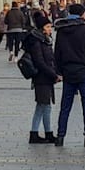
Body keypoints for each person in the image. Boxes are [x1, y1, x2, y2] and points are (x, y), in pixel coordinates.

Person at [54, 3, 85, 146]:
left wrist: (60, 71)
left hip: (68, 73)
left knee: (65, 106)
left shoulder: (61, 30)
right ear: (82, 14)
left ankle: (60, 136)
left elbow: (57, 53)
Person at [22, 12, 60, 144]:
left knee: (43, 106)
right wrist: (53, 75)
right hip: (41, 79)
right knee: (44, 106)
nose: (50, 29)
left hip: (45, 78)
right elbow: (40, 62)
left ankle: (41, 133)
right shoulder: (37, 42)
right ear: (42, 28)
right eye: (48, 26)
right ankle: (39, 134)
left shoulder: (44, 40)